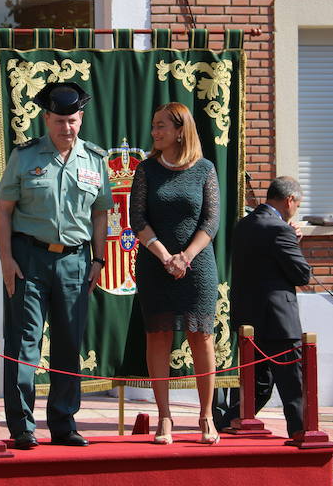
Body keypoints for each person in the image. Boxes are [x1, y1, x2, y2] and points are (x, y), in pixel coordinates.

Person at [0, 81, 112, 450]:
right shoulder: (25, 156)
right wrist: (6, 260)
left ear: (81, 119)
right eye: (60, 121)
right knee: (25, 344)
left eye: (73, 120)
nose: (67, 128)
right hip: (29, 258)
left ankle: (63, 423)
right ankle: (22, 426)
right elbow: (3, 213)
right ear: (46, 119)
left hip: (76, 261)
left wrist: (98, 258)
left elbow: (100, 215)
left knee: (67, 343)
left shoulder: (95, 159)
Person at [129, 102, 221, 445]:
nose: (154, 132)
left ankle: (206, 416)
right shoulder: (146, 169)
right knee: (158, 336)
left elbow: (211, 221)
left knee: (201, 337)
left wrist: (186, 257)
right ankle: (164, 417)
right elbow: (137, 219)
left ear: (181, 130)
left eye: (161, 126)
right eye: (154, 126)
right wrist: (166, 257)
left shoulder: (205, 169)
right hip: (155, 265)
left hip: (198, 267)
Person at [216, 176, 311, 438]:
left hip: (248, 319)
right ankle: (300, 431)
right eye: (297, 205)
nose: (295, 210)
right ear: (289, 200)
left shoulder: (243, 226)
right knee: (293, 383)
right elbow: (302, 274)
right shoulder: (280, 230)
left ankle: (229, 421)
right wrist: (294, 240)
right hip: (279, 321)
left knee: (257, 383)